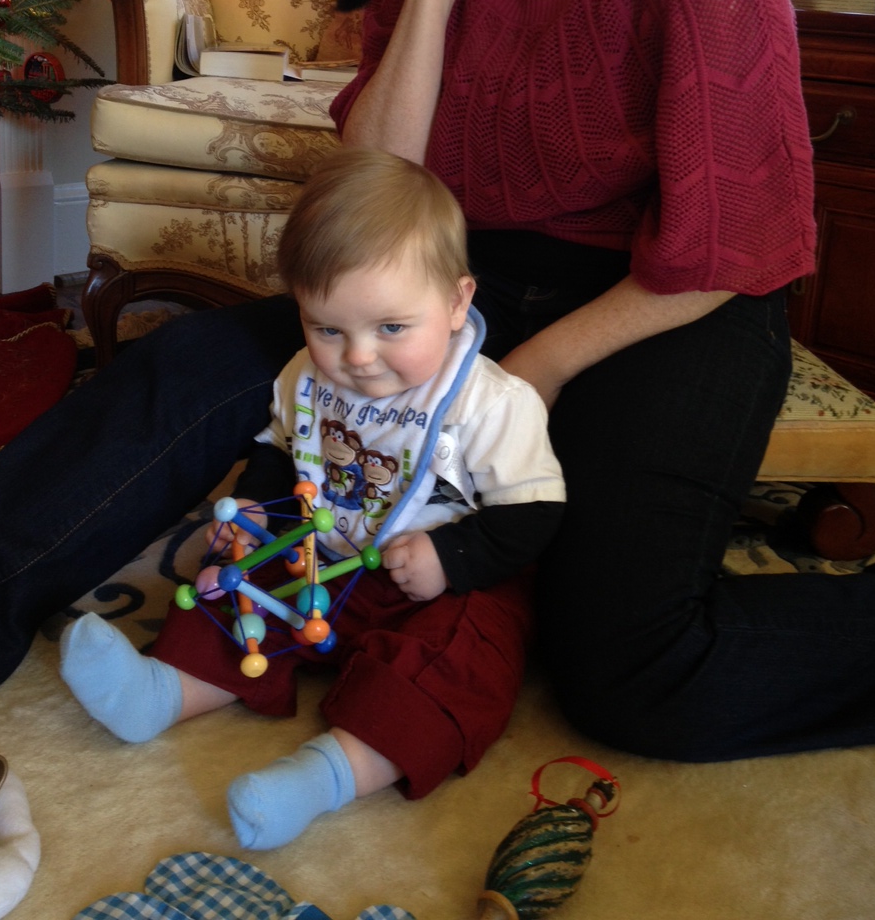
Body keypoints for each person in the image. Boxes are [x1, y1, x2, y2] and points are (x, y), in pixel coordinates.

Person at [0, 0, 875, 764]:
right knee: (182, 371)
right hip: (453, 284)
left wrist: (524, 373)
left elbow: (732, 248)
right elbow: (374, 188)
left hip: (668, 302)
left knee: (629, 669)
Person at [58, 147, 565, 849]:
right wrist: (255, 508)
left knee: (460, 661)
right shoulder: (305, 374)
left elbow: (536, 514)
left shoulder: (491, 402)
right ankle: (160, 693)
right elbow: (280, 449)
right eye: (328, 328)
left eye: (391, 328)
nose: (357, 357)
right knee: (232, 586)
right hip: (320, 553)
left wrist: (452, 557)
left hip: (443, 584)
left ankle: (322, 776)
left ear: (456, 303)